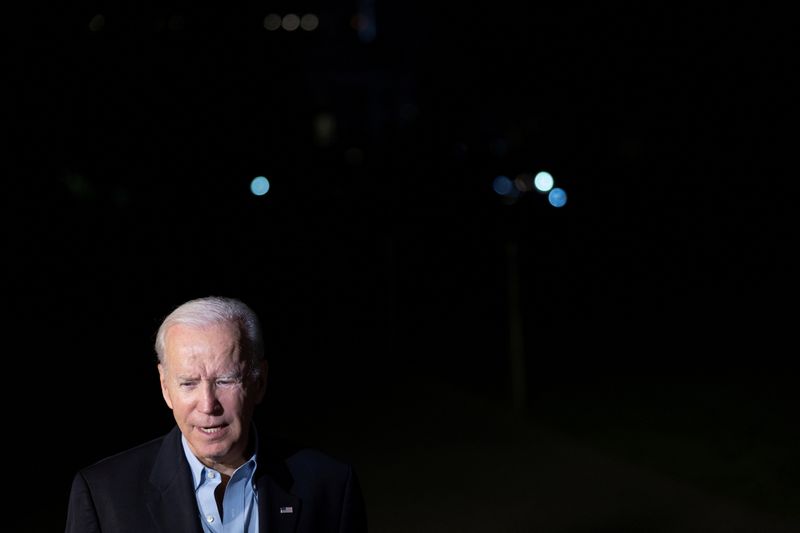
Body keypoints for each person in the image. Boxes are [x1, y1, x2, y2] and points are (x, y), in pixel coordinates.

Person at [66, 296, 367, 532]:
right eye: (188, 383)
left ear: (259, 382)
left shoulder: (330, 486)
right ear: (165, 388)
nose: (208, 404)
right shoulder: (103, 496)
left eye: (225, 381)